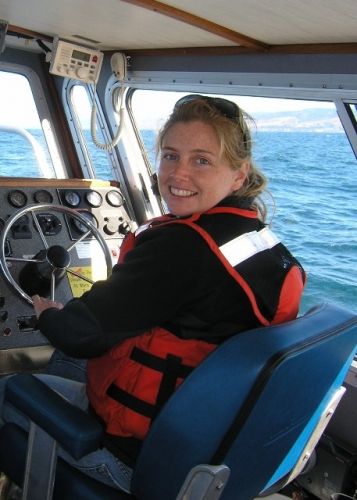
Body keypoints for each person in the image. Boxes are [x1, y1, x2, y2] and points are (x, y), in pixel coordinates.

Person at [0, 94, 306, 493]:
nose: (178, 174)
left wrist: (46, 312)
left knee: (9, 387)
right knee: (63, 364)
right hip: (208, 449)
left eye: (201, 160)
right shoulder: (262, 243)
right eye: (170, 155)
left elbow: (79, 334)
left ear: (238, 174)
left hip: (135, 460)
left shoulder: (182, 248)